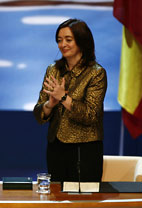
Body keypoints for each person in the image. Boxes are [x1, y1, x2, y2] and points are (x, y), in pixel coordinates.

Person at [33, 19, 107, 183]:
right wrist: (50, 104)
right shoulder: (53, 69)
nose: (62, 44)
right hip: (56, 147)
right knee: (57, 199)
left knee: (83, 203)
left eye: (68, 39)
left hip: (85, 149)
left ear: (81, 41)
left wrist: (64, 98)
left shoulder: (96, 73)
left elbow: (91, 115)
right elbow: (39, 113)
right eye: (59, 40)